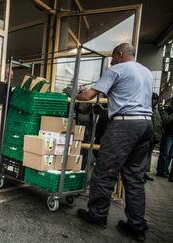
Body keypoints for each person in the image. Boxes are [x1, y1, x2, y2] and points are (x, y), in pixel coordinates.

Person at [73, 43, 153, 242]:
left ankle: (97, 215)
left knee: (105, 171)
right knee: (135, 177)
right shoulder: (146, 72)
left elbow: (88, 96)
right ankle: (137, 226)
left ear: (119, 54)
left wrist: (73, 95)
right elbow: (122, 93)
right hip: (145, 125)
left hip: (124, 126)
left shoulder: (116, 69)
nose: (110, 60)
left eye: (112, 57)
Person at [145, 93, 163, 181]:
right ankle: (140, 174)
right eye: (153, 99)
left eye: (156, 99)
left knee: (147, 157)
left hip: (154, 138)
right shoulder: (146, 109)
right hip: (147, 137)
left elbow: (159, 124)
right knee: (143, 156)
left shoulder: (156, 111)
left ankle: (143, 173)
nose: (154, 101)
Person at [156, 98, 173, 180]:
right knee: (165, 153)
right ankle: (160, 170)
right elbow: (165, 120)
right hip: (168, 135)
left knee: (170, 155)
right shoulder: (166, 110)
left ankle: (165, 171)